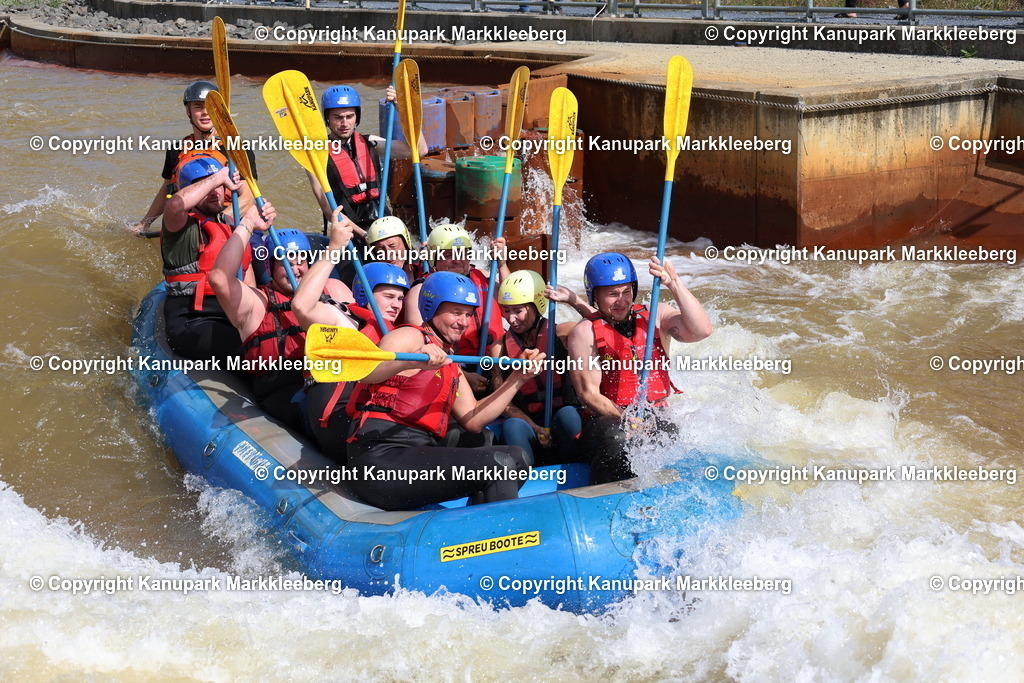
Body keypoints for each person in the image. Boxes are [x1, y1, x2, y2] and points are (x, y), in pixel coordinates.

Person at [345, 271, 543, 510]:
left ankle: (477, 528)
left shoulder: (448, 362)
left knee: (517, 458)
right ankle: (501, 541)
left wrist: (517, 379)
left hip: (416, 455)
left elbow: (473, 418)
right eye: (456, 313)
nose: (464, 322)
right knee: (498, 465)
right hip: (381, 457)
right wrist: (412, 361)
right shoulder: (410, 336)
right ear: (431, 309)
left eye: (469, 315)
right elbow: (368, 370)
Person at [567, 252, 712, 485]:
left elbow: (701, 331)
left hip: (654, 412)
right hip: (608, 419)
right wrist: (628, 419)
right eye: (612, 294)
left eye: (626, 292)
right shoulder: (584, 333)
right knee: (617, 437)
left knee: (670, 431)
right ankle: (603, 499)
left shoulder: (657, 315)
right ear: (594, 296)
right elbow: (588, 394)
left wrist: (674, 282)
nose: (621, 300)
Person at [209, 209, 352, 432]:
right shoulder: (257, 303)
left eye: (302, 260)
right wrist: (248, 223)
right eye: (286, 262)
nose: (295, 269)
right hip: (287, 392)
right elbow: (218, 278)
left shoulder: (333, 290)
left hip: (331, 380)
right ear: (270, 267)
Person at [292, 226, 411, 463]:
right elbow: (302, 306)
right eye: (388, 297)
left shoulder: (394, 332)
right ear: (365, 295)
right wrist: (334, 249)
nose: (396, 305)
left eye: (400, 298)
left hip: (366, 416)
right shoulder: (344, 320)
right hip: (337, 419)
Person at [161, 156, 260, 365]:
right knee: (254, 354)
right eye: (208, 186)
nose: (215, 192)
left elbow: (249, 284)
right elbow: (175, 204)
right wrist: (218, 177)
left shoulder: (230, 224)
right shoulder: (180, 226)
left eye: (219, 187)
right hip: (194, 319)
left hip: (232, 314)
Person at [488, 271, 592, 466]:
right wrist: (534, 426)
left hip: (565, 424)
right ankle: (524, 483)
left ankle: (578, 469)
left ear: (537, 306)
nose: (511, 319)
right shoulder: (498, 348)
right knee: (513, 427)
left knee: (568, 415)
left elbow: (601, 325)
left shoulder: (563, 333)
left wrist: (573, 300)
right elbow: (502, 401)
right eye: (506, 310)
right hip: (530, 428)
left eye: (517, 311)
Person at [133, 81, 254, 234]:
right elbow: (166, 191)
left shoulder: (236, 149)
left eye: (210, 107)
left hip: (228, 220)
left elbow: (248, 198)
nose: (205, 112)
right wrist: (144, 224)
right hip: (191, 220)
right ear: (188, 111)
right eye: (198, 106)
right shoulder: (176, 150)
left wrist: (216, 223)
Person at [306, 84, 427, 237]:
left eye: (349, 116)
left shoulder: (371, 143)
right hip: (350, 231)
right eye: (338, 117)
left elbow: (420, 150)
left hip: (383, 225)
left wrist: (402, 109)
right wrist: (364, 236)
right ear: (327, 119)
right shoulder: (316, 156)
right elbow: (328, 209)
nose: (345, 123)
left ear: (357, 117)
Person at [404, 224, 508, 359]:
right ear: (434, 258)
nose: (457, 259)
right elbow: (421, 342)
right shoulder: (420, 291)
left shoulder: (483, 278)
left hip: (495, 363)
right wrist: (464, 375)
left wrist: (502, 265)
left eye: (462, 253)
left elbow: (512, 302)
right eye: (449, 254)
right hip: (453, 365)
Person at [366, 215, 425, 283]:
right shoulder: (370, 278)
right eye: (381, 248)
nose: (388, 253)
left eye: (392, 245)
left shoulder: (424, 265)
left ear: (406, 244)